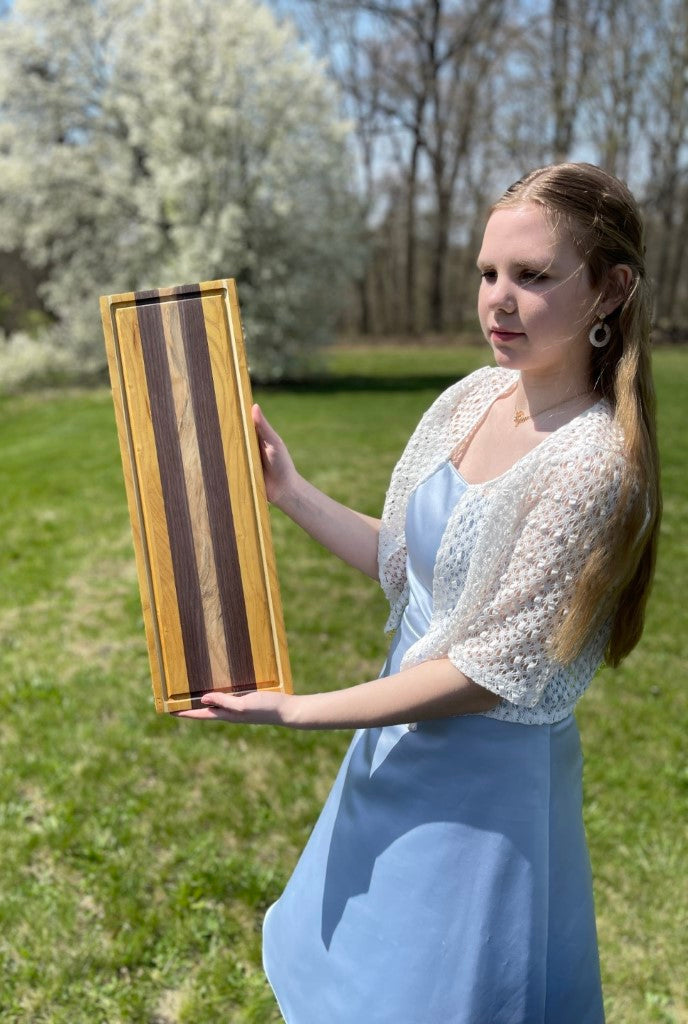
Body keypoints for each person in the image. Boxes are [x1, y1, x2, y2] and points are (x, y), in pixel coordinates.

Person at [175, 163, 661, 1024]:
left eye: (533, 276)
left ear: (610, 289)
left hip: (482, 801)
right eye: (488, 273)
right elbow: (412, 572)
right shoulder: (475, 397)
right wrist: (290, 490)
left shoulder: (594, 462)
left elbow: (486, 671)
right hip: (393, 756)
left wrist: (296, 711)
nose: (499, 300)